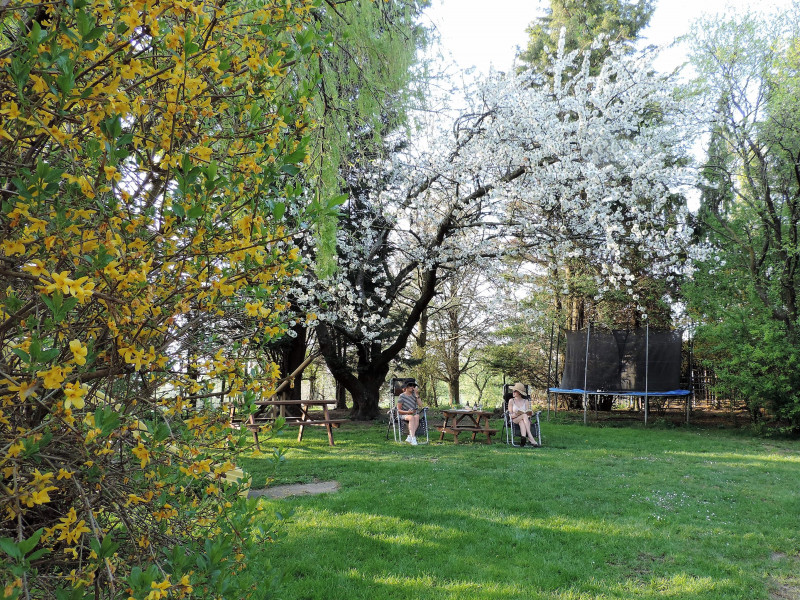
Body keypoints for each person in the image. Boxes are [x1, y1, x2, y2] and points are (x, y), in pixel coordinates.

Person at [508, 382, 539, 447]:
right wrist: (516, 414)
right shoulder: (511, 401)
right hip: (514, 419)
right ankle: (530, 437)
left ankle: (523, 439)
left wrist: (530, 413)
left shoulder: (526, 401)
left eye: (515, 391)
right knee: (524, 416)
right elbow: (510, 414)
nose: (513, 392)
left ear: (519, 392)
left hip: (524, 420)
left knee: (522, 420)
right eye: (513, 391)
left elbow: (528, 413)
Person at [397, 379, 423, 445]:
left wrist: (417, 394)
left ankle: (410, 436)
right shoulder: (402, 396)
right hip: (404, 414)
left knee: (417, 416)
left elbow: (420, 405)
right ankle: (413, 438)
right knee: (411, 417)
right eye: (410, 385)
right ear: (406, 387)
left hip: (413, 414)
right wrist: (407, 412)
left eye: (413, 386)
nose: (412, 387)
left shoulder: (415, 395)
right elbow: (398, 410)